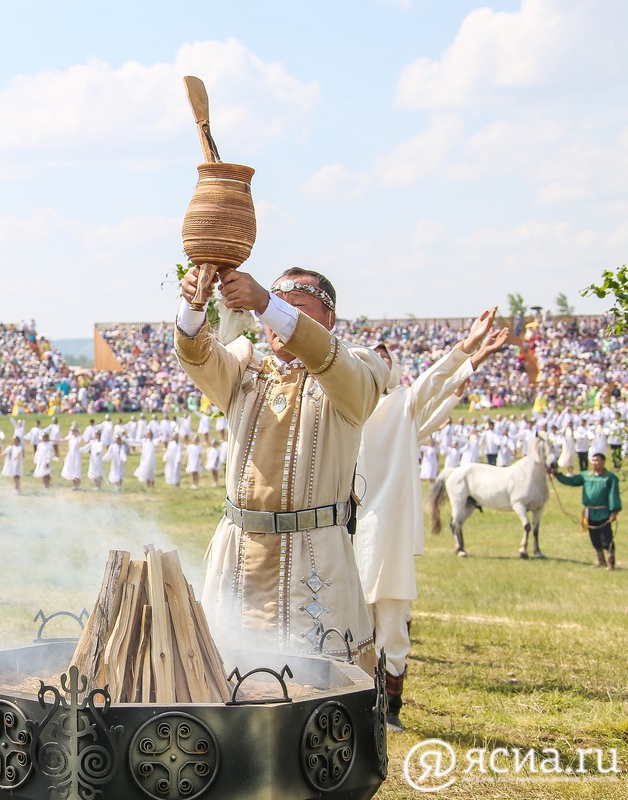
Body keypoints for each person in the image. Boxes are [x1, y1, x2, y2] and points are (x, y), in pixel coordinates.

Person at [176, 265, 388, 669]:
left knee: (317, 694)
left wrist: (265, 302)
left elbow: (335, 363)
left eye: (298, 309)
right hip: (239, 559)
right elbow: (198, 357)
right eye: (274, 308)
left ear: (329, 320)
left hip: (314, 563)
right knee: (229, 684)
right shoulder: (246, 367)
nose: (277, 320)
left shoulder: (356, 371)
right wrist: (194, 305)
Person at [353, 311, 506, 732]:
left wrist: (471, 348)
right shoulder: (343, 409)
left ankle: (391, 711)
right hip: (348, 530)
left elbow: (436, 385)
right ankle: (357, 703)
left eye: (385, 357)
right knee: (353, 622)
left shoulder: (401, 406)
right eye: (371, 355)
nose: (378, 361)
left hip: (388, 533)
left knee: (393, 624)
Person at [553, 452, 621, 569]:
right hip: (590, 512)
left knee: (606, 537)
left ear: (603, 462)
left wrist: (614, 512)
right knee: (594, 537)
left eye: (597, 460)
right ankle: (600, 560)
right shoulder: (586, 476)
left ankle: (611, 561)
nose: (594, 463)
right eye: (593, 460)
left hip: (604, 512)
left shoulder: (610, 478)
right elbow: (572, 481)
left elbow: (613, 495)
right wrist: (557, 475)